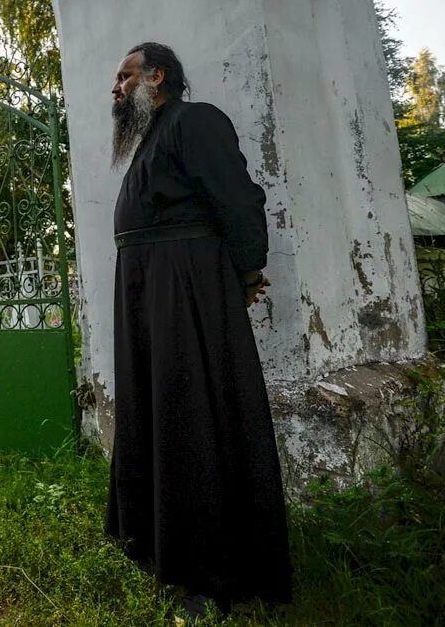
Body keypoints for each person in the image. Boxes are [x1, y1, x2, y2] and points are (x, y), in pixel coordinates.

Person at [104, 42, 292, 615]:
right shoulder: (151, 138)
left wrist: (245, 268)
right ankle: (154, 540)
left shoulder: (194, 121)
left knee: (190, 411)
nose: (116, 88)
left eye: (126, 76)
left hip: (183, 287)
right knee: (158, 406)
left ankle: (212, 576)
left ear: (157, 77)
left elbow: (236, 198)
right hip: (148, 288)